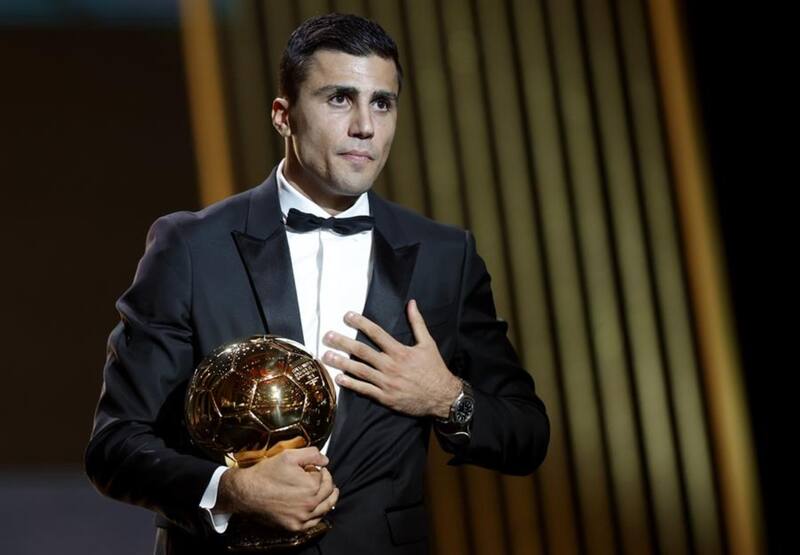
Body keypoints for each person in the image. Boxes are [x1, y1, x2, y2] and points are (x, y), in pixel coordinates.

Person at [85, 13, 549, 555]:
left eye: (382, 102)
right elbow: (115, 446)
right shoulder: (190, 248)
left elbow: (526, 436)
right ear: (283, 115)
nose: (365, 127)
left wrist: (447, 398)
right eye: (338, 99)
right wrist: (230, 489)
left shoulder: (446, 257)